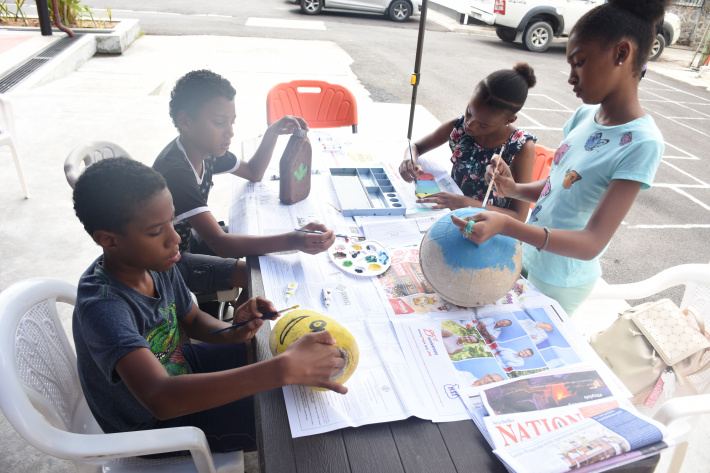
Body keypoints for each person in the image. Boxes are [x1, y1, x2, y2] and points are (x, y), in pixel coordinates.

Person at [71, 158, 346, 453]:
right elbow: (161, 399)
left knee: (270, 354)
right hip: (149, 426)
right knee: (290, 423)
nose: (175, 238)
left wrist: (233, 330)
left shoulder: (153, 264)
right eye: (155, 231)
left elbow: (193, 319)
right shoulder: (103, 308)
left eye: (172, 222)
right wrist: (282, 371)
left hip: (179, 368)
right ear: (109, 241)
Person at [452, 0, 668, 315]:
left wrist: (506, 225)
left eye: (579, 62)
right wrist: (513, 190)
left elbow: (592, 241)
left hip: (561, 279)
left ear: (621, 54)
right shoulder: (585, 116)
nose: (570, 77)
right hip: (527, 253)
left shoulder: (642, 143)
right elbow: (562, 185)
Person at [153, 69, 334, 297]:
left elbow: (253, 171)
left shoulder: (204, 149)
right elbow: (220, 243)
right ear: (185, 121)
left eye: (232, 122)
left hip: (186, 239)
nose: (229, 132)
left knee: (257, 236)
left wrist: (272, 133)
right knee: (259, 274)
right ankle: (243, 327)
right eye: (219, 122)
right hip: (166, 262)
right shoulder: (176, 172)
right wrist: (294, 240)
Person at [398, 63, 537, 222]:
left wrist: (465, 203)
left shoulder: (521, 147)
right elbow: (415, 147)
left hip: (491, 228)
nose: (470, 124)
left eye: (483, 124)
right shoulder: (458, 126)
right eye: (469, 111)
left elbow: (518, 216)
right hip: (452, 215)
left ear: (509, 120)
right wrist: (409, 160)